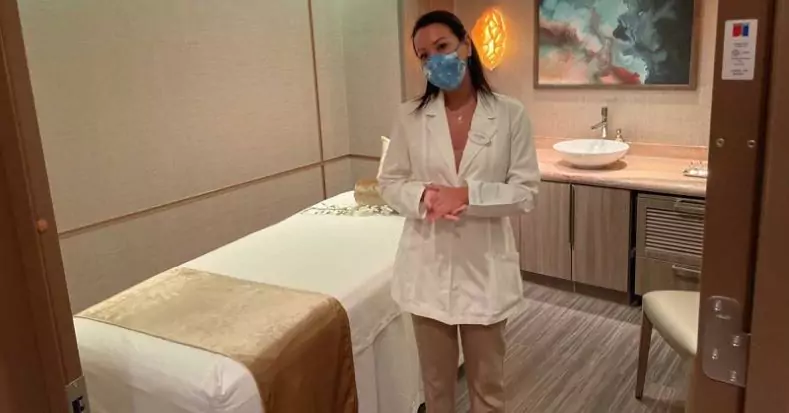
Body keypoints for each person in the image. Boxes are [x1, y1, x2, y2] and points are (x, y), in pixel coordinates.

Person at [377, 10, 541, 413]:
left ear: (466, 45)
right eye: (424, 55)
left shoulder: (509, 114)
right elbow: (390, 181)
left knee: (488, 387)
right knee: (436, 388)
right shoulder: (410, 116)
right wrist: (425, 198)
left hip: (484, 269)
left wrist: (467, 194)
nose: (435, 60)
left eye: (442, 47)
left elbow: (525, 192)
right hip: (427, 267)